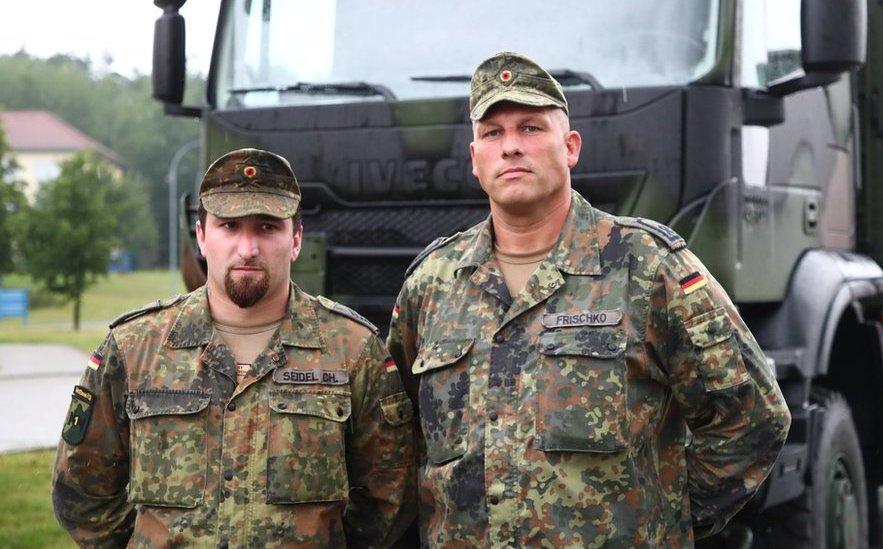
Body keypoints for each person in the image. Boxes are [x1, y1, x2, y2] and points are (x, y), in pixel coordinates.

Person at [387, 52, 791, 547]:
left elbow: (752, 417)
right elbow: (399, 438)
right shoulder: (432, 283)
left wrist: (666, 521)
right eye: (493, 133)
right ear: (475, 159)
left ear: (571, 147)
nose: (511, 147)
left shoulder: (648, 265)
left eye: (531, 128)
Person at [53, 148, 417, 547]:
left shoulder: (352, 349)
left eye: (266, 227)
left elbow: (390, 494)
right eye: (229, 226)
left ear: (295, 240)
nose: (247, 248)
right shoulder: (135, 346)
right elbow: (82, 489)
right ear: (202, 237)